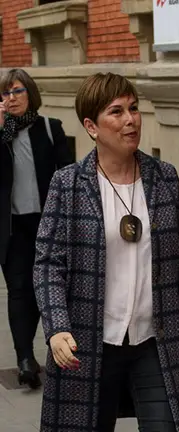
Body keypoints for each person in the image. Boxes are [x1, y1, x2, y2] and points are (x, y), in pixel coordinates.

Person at [33, 72, 179, 432]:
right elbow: (48, 264)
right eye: (116, 112)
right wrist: (56, 328)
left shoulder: (165, 178)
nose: (130, 120)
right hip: (88, 340)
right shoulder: (67, 184)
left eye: (134, 108)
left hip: (154, 339)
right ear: (91, 126)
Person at [0, 68, 74, 389]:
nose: (11, 98)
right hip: (13, 228)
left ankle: (53, 346)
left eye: (17, 91)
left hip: (49, 225)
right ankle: (25, 358)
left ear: (30, 93)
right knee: (19, 291)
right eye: (5, 93)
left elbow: (70, 177)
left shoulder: (50, 128)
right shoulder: (1, 134)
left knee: (46, 290)